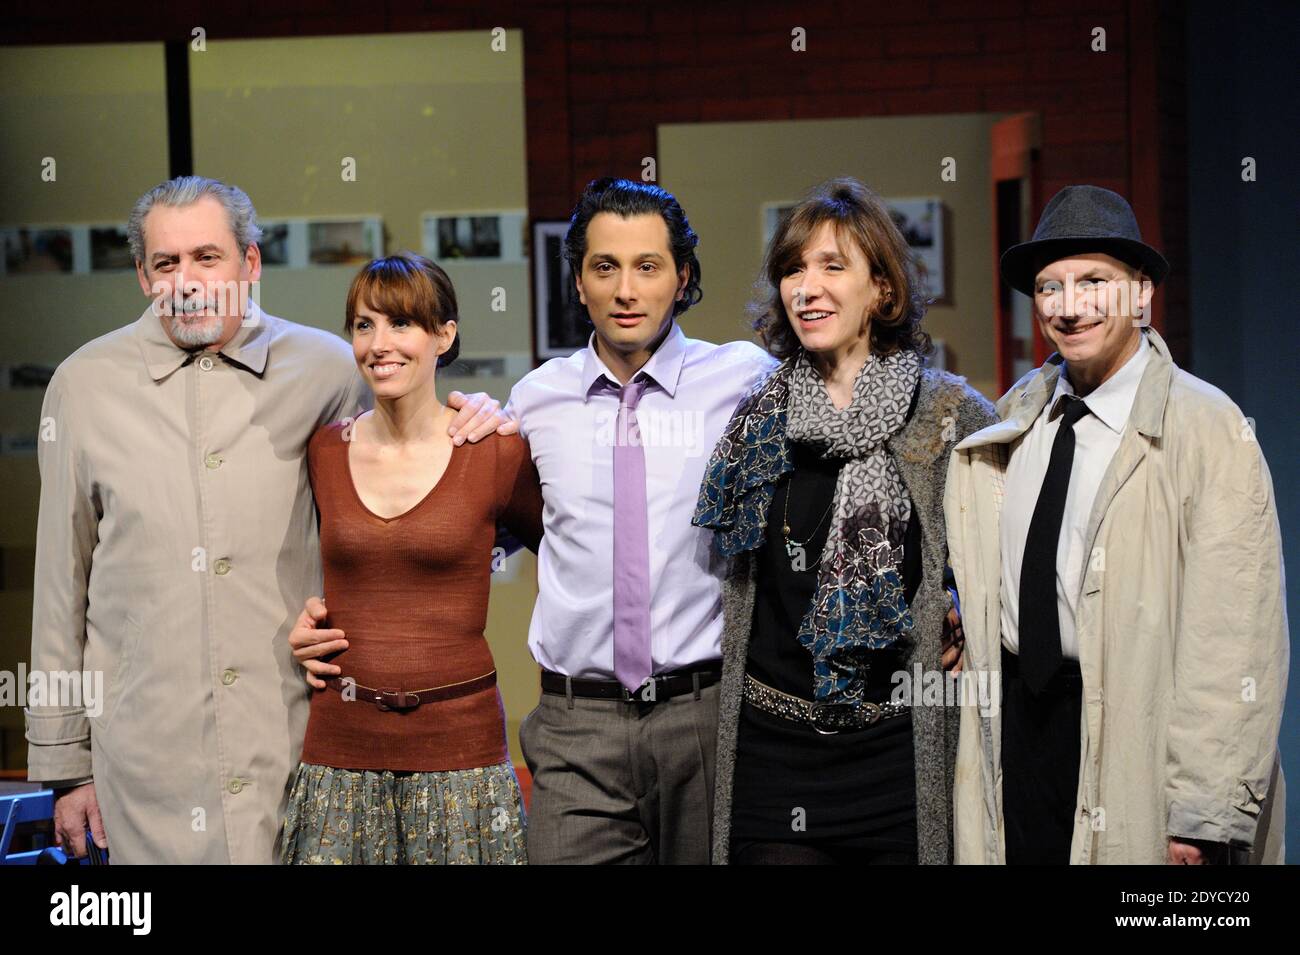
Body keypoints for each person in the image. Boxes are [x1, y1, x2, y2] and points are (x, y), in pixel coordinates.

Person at [25, 176, 509, 864]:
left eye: (207, 257)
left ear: (250, 264)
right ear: (142, 275)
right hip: (145, 770)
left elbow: (423, 479)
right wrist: (66, 766)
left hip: (302, 752)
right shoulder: (83, 385)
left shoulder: (329, 370)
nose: (187, 280)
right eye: (166, 263)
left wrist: (481, 420)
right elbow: (58, 587)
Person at [295, 177, 776, 863]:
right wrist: (322, 613)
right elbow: (463, 538)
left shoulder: (745, 381)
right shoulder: (534, 402)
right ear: (578, 282)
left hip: (702, 713)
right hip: (577, 727)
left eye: (648, 266)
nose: (626, 290)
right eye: (604, 267)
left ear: (683, 276)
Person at [947, 184, 1288, 864]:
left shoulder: (1206, 426)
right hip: (1021, 729)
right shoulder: (1016, 417)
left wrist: (1202, 813)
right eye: (1050, 287)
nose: (1069, 307)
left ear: (1141, 295)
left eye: (1094, 282)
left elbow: (1235, 636)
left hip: (1137, 729)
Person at [693, 178, 997, 865]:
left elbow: (1005, 553)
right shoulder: (756, 418)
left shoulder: (946, 414)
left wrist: (956, 604)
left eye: (833, 266)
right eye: (794, 269)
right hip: (774, 751)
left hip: (893, 755)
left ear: (882, 290)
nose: (807, 286)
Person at [280, 253, 543, 864]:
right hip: (342, 749)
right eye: (364, 325)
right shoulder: (324, 449)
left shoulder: (494, 451)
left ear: (444, 335)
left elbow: (571, 552)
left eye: (401, 324)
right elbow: (284, 558)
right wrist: (294, 621)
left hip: (461, 757)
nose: (379, 344)